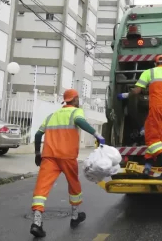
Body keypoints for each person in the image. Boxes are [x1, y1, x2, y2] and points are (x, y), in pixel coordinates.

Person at [30, 89, 105, 238]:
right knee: (73, 184)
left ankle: (37, 223)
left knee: (41, 188)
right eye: (78, 98)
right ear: (75, 99)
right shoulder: (75, 112)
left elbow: (38, 134)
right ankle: (75, 216)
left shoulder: (52, 115)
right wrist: (97, 134)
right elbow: (80, 121)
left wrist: (38, 153)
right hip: (67, 157)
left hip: (49, 156)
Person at [117, 55, 162, 179]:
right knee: (157, 140)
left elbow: (136, 91)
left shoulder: (149, 72)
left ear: (155, 64)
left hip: (157, 110)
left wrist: (125, 95)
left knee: (151, 139)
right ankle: (147, 167)